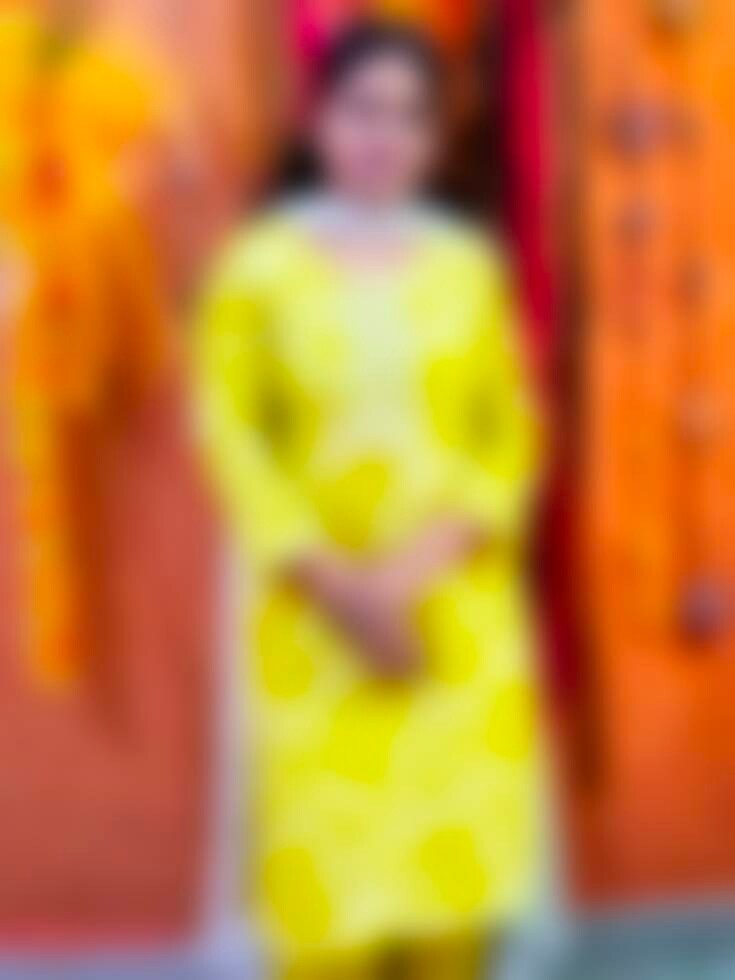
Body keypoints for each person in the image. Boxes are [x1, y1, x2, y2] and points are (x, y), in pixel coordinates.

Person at [195, 21, 542, 979]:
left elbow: (509, 435)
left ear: (434, 140)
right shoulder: (258, 271)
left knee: (449, 917)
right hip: (316, 633)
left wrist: (412, 575)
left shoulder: (469, 270)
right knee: (328, 918)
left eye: (409, 117)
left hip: (450, 625)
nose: (382, 136)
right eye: (361, 110)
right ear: (318, 122)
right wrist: (344, 591)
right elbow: (233, 438)